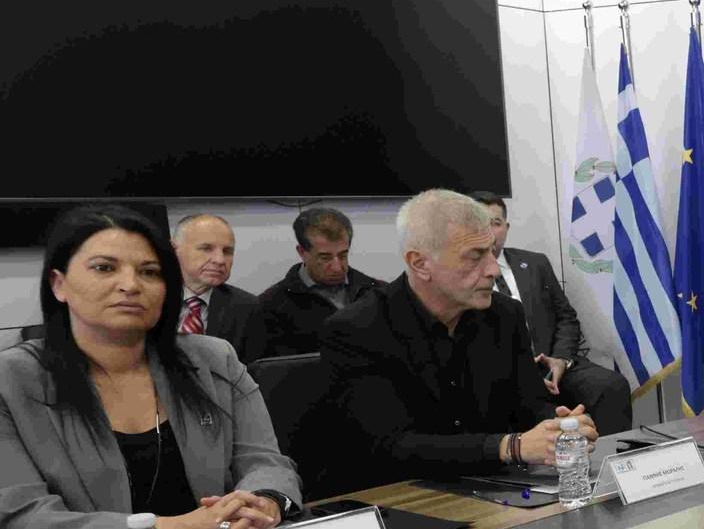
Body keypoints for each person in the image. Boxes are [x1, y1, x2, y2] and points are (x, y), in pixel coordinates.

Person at [0, 206, 300, 529]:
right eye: (104, 268)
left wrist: (262, 503)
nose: (130, 285)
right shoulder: (12, 380)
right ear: (58, 284)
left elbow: (266, 462)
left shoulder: (215, 359)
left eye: (149, 272)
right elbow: (24, 523)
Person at [321, 190, 596, 480]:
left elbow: (530, 404)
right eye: (475, 257)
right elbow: (388, 446)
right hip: (402, 493)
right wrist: (509, 447)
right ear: (420, 264)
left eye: (491, 252)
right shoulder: (357, 329)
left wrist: (560, 426)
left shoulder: (505, 315)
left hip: (496, 485)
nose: (493, 269)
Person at [470, 191, 633, 434]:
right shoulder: (462, 274)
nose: (490, 232)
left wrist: (561, 360)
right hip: (505, 374)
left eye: (496, 223)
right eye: (481, 223)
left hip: (554, 364)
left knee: (611, 386)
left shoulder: (535, 263)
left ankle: (610, 456)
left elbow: (566, 318)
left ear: (507, 227)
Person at [256, 206, 380, 355]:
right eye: (325, 258)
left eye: (343, 255)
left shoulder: (377, 293)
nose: (337, 268)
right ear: (302, 252)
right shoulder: (270, 306)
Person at [170, 213, 265, 363]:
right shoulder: (149, 299)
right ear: (174, 250)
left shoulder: (247, 307)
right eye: (206, 248)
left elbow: (255, 371)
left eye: (227, 251)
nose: (220, 260)